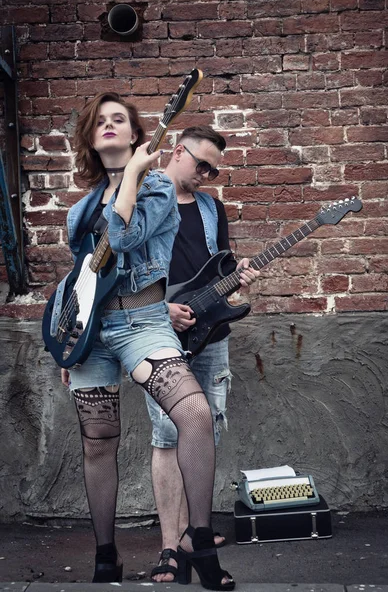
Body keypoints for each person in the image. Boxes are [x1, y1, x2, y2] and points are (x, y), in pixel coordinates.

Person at [59, 93, 235, 590]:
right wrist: (67, 337)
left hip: (142, 322)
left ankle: (198, 547)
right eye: (102, 121)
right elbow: (79, 276)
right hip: (91, 332)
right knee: (98, 442)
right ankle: (104, 556)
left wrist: (133, 175)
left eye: (121, 119)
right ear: (92, 137)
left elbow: (126, 236)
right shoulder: (79, 210)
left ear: (137, 136)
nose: (111, 125)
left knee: (195, 414)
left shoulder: (157, 189)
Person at [144, 126, 259, 583]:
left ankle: (197, 531)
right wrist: (160, 310)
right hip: (158, 334)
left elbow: (221, 268)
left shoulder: (212, 207)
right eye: (202, 165)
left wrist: (241, 276)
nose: (208, 175)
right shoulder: (145, 199)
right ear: (177, 152)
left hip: (212, 334)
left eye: (214, 169)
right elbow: (123, 270)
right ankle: (170, 549)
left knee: (205, 429)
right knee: (167, 435)